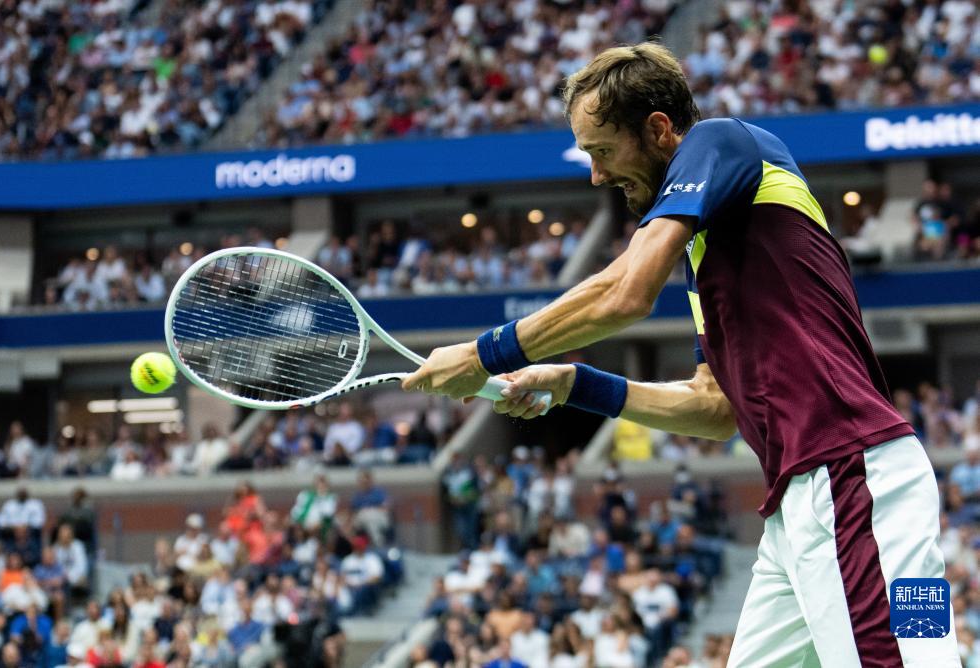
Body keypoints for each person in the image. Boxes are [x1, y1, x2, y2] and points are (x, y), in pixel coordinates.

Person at [403, 41, 958, 666]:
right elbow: (714, 408)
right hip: (804, 507)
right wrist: (573, 385)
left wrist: (485, 354)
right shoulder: (708, 252)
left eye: (601, 151)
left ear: (660, 130)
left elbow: (626, 291)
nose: (596, 175)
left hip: (853, 482)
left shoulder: (722, 142)